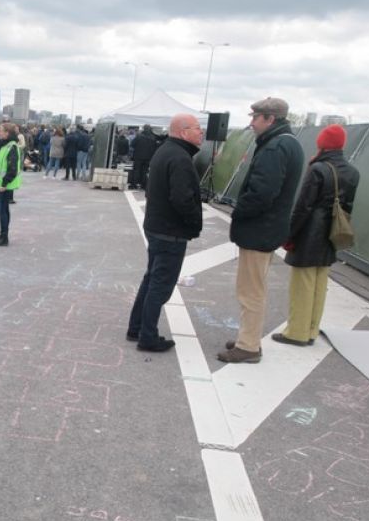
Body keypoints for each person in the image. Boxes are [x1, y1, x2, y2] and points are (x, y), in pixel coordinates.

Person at [218, 97, 305, 363]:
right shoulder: (289, 143)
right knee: (254, 287)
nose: (252, 123)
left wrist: (239, 211)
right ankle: (249, 338)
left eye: (256, 117)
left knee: (250, 290)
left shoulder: (275, 147)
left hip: (259, 229)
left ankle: (248, 346)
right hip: (269, 227)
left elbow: (262, 193)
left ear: (270, 119)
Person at [276, 124, 360, 345]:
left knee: (302, 285)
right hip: (331, 233)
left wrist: (289, 235)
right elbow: (348, 207)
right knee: (320, 284)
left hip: (309, 233)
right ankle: (312, 330)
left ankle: (297, 332)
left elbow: (303, 206)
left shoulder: (318, 169)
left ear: (322, 143)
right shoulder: (353, 172)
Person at [126, 115, 205, 352]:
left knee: (151, 279)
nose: (201, 132)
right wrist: (194, 223)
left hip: (158, 226)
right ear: (183, 132)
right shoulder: (180, 157)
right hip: (170, 231)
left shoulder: (165, 151)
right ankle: (147, 336)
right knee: (160, 285)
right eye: (197, 128)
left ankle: (136, 328)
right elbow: (182, 198)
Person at [0, 121, 22, 246]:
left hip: (5, 185)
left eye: (1, 130)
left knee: (2, 210)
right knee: (3, 209)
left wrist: (4, 183)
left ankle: (4, 237)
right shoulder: (6, 145)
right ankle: (3, 236)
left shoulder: (11, 147)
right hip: (3, 184)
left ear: (7, 133)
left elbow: (12, 169)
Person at [129, 124, 161, 190]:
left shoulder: (139, 136)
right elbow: (156, 146)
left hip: (138, 157)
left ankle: (134, 184)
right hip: (148, 157)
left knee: (136, 170)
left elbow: (132, 145)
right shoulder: (153, 137)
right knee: (145, 171)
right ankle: (144, 185)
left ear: (144, 129)